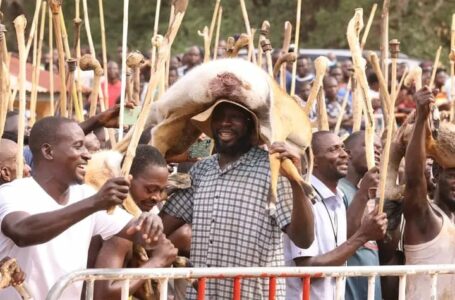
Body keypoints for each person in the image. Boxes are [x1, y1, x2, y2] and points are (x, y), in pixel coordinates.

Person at [160, 100, 315, 299]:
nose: (225, 123)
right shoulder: (201, 170)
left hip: (253, 295)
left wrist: (296, 181)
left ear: (251, 126)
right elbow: (163, 225)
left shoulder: (273, 170)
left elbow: (304, 239)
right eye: (219, 117)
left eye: (234, 117)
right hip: (203, 295)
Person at [0, 117, 164, 300]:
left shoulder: (85, 194)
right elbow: (22, 231)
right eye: (78, 146)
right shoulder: (12, 193)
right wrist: (94, 203)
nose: (87, 155)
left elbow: (141, 233)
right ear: (48, 151)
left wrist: (150, 221)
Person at [284, 131, 387, 300]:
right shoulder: (302, 197)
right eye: (333, 149)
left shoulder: (339, 197)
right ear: (314, 160)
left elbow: (340, 246)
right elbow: (308, 269)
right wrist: (363, 235)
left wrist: (363, 197)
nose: (344, 155)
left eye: (343, 148)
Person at [94, 145, 178, 299]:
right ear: (128, 179)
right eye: (150, 189)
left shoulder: (131, 218)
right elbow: (103, 295)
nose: (157, 197)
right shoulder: (120, 226)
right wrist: (156, 262)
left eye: (161, 190)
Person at [402, 87, 455, 299]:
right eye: (452, 175)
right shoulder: (425, 217)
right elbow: (414, 180)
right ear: (435, 175)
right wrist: (422, 117)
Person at [339, 131, 382, 300]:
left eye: (380, 148)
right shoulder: (338, 191)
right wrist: (364, 192)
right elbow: (343, 239)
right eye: (370, 145)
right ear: (347, 154)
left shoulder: (362, 194)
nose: (377, 151)